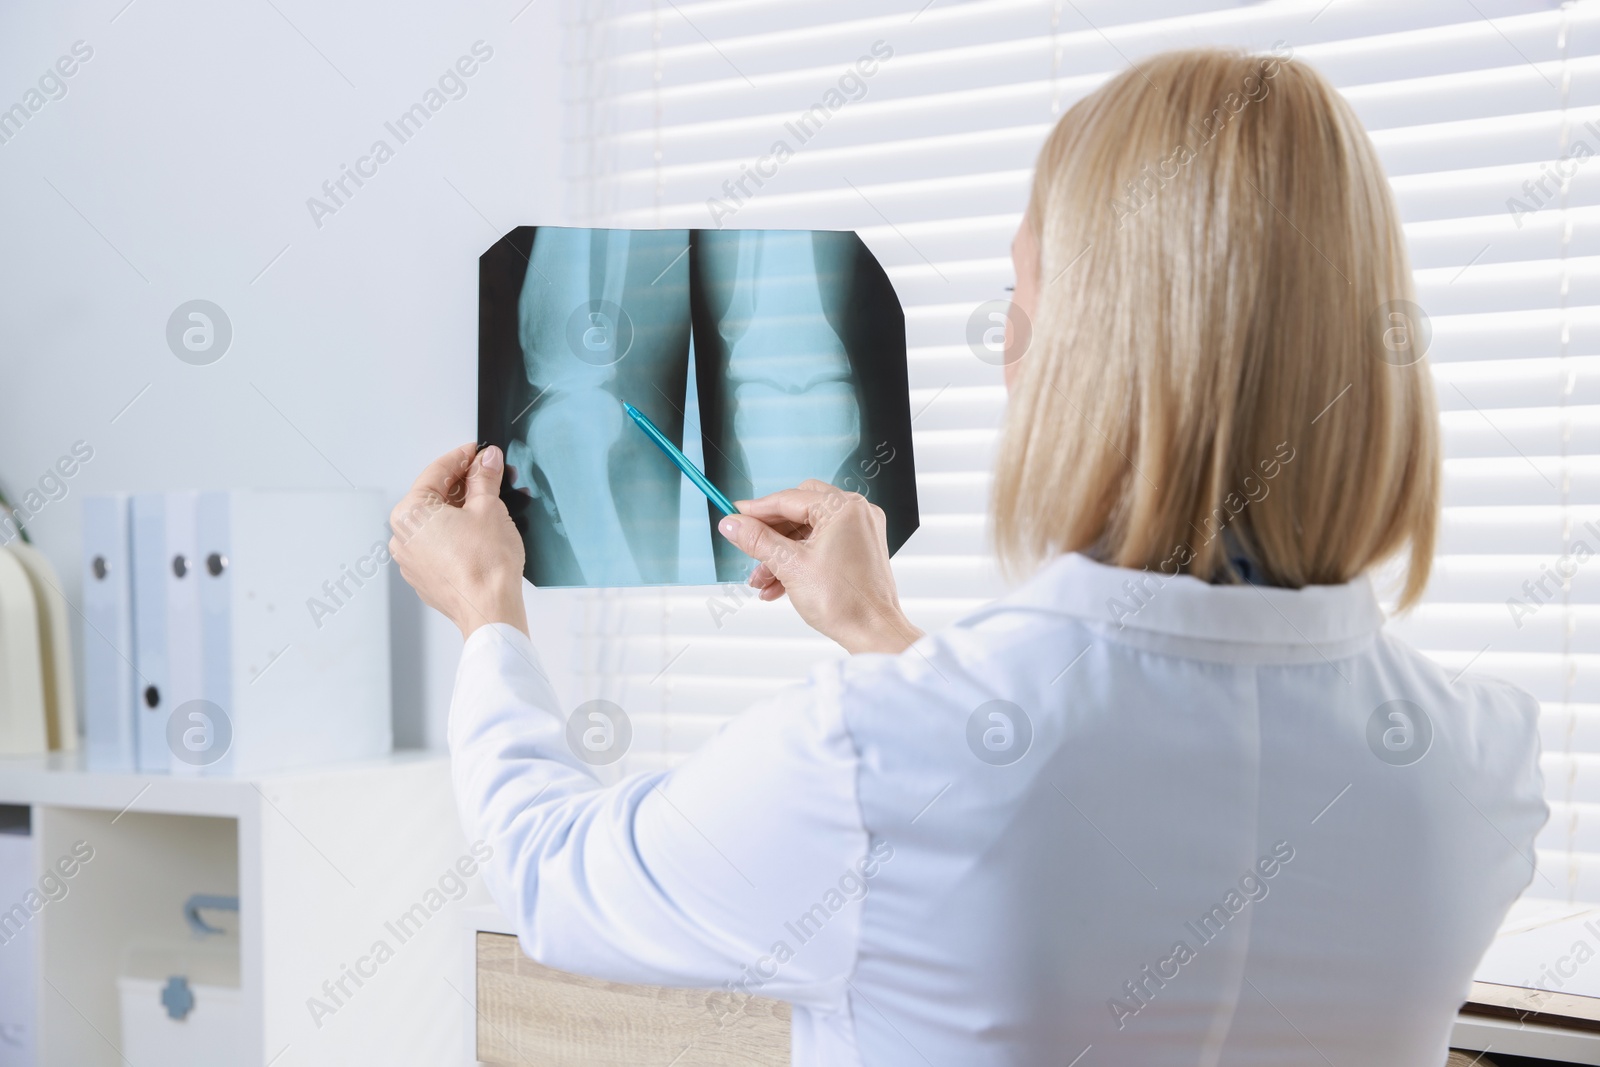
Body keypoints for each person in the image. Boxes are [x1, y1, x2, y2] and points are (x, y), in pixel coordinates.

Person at [392, 47, 1546, 1065]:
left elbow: (553, 873)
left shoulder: (878, 749)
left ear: (1072, 352)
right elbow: (1135, 775)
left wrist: (486, 606)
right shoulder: (1478, 762)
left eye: (1020, 295)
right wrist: (883, 635)